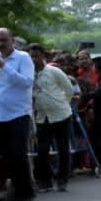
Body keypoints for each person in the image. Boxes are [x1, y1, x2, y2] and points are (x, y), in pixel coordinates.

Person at [28, 44, 75, 193]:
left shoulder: (53, 71)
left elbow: (69, 90)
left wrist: (62, 104)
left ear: (43, 56)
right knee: (42, 150)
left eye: (36, 55)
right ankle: (45, 181)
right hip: (42, 117)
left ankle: (62, 180)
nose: (34, 59)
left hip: (61, 115)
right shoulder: (29, 74)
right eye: (31, 56)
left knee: (63, 149)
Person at [0, 27, 36, 201]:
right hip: (0, 115)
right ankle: (16, 197)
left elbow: (26, 82)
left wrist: (4, 67)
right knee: (7, 159)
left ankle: (27, 197)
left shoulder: (23, 58)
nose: (0, 44)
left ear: (12, 40)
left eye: (4, 40)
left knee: (18, 156)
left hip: (18, 115)